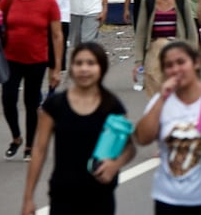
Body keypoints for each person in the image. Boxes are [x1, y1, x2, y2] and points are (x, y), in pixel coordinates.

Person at [21, 43, 135, 215]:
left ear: (101, 67)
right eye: (79, 63)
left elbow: (129, 147)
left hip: (100, 195)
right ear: (72, 68)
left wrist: (115, 165)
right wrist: (28, 198)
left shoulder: (112, 106)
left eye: (91, 63)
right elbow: (39, 150)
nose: (84, 69)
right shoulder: (55, 105)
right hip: (63, 194)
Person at [134, 41, 201, 214]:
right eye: (169, 65)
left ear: (196, 62)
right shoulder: (160, 102)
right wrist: (162, 98)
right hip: (168, 199)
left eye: (181, 62)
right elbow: (142, 138)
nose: (176, 69)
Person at [0, 0, 64, 161]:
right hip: (11, 58)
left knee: (30, 102)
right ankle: (16, 137)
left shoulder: (48, 2)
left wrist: (57, 68)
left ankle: (29, 146)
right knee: (8, 99)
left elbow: (57, 36)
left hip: (37, 59)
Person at [134, 0, 199, 96]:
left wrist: (192, 56)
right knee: (155, 94)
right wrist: (138, 62)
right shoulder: (148, 1)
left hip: (176, 50)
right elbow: (140, 34)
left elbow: (191, 31)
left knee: (177, 93)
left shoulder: (182, 0)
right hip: (153, 52)